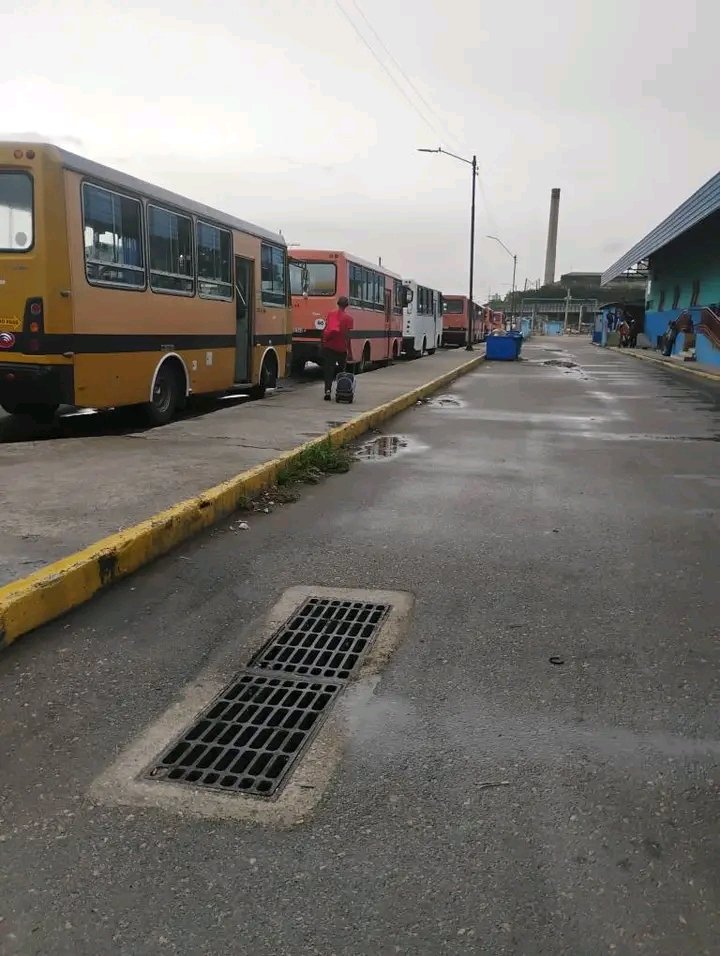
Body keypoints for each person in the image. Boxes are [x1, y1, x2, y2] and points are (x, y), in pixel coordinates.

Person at [321, 296, 353, 400]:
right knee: (341, 372)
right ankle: (341, 391)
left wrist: (323, 342)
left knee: (328, 370)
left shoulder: (331, 314)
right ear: (346, 305)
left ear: (337, 303)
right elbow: (347, 336)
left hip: (329, 347)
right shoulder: (348, 318)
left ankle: (327, 391)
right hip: (341, 349)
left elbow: (326, 328)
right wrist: (350, 351)